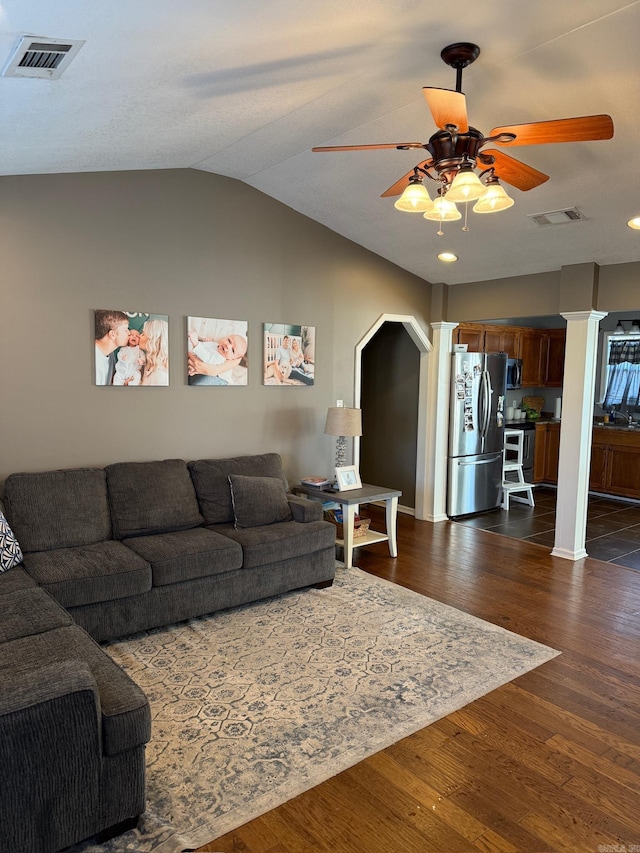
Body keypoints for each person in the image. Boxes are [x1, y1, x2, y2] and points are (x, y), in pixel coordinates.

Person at [94, 309, 130, 385]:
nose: (129, 333)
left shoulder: (110, 354)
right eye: (126, 330)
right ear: (112, 334)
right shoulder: (92, 362)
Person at [139, 318, 169, 386]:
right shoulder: (150, 364)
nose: (139, 336)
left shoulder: (161, 374)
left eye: (143, 334)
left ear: (153, 339)